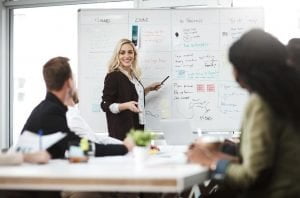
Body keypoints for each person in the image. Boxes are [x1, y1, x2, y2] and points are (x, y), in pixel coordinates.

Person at [187, 29, 300, 197]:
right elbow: (269, 164)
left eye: (235, 66)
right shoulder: (290, 95)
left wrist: (210, 161)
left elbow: (252, 177)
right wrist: (222, 151)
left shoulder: (261, 102)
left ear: (248, 70)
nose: (233, 74)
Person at [21, 56, 134, 159]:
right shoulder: (52, 112)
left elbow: (72, 146)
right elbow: (80, 146)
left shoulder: (45, 108)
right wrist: (124, 148)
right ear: (69, 83)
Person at [101, 38, 161, 140]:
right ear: (117, 56)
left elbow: (131, 95)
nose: (127, 56)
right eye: (122, 53)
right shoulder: (113, 76)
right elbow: (105, 105)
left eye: (130, 52)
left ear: (134, 55)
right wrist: (126, 106)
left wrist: (148, 89)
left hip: (137, 125)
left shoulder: (133, 75)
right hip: (122, 131)